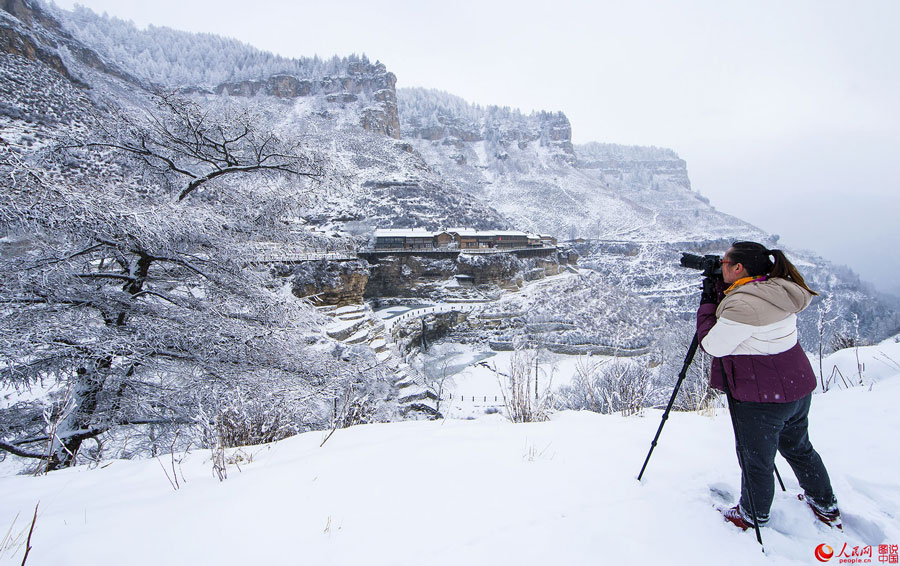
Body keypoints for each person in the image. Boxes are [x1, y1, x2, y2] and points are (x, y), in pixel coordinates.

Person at [696, 241, 841, 531]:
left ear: (739, 268)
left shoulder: (742, 303)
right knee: (800, 448)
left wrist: (708, 304)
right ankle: (825, 505)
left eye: (724, 262)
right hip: (796, 387)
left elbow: (713, 345)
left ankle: (752, 515)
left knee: (756, 461)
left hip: (762, 396)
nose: (720, 265)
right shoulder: (777, 287)